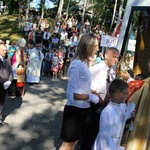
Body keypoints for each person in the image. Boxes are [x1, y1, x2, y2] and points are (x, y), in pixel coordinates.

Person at [59, 33, 103, 150]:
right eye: (95, 46)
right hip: (74, 111)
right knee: (67, 145)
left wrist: (93, 93)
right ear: (88, 46)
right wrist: (90, 97)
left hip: (83, 109)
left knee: (73, 144)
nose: (97, 49)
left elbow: (82, 87)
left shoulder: (84, 63)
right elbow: (71, 94)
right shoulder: (77, 64)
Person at [80, 47, 120, 150]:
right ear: (106, 56)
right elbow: (89, 89)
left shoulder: (112, 72)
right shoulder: (96, 69)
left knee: (98, 137)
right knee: (88, 136)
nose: (116, 60)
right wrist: (101, 100)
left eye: (117, 58)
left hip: (105, 108)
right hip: (93, 107)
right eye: (114, 57)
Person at [93, 79, 135, 150]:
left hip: (120, 143)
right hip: (111, 144)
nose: (127, 95)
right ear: (116, 95)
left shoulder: (123, 106)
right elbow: (105, 137)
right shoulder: (108, 112)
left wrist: (130, 118)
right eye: (124, 93)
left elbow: (126, 127)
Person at [0, 41, 12, 124]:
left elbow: (10, 71)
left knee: (1, 102)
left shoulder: (7, 59)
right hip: (0, 84)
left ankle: (0, 118)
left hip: (5, 86)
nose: (5, 52)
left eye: (5, 50)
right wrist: (2, 82)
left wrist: (9, 81)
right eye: (3, 50)